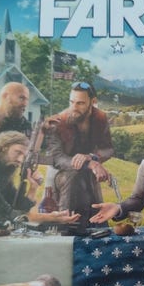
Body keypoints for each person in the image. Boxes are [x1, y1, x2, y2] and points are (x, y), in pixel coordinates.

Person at [46, 82, 114, 224]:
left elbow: (108, 148)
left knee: (97, 222)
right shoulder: (58, 122)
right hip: (60, 174)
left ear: (93, 102)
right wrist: (89, 164)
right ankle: (66, 227)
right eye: (71, 102)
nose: (74, 108)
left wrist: (91, 157)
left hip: (88, 175)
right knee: (73, 178)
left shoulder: (100, 117)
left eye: (80, 103)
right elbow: (57, 157)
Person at [0, 131, 80, 224]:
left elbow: (19, 209)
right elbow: (7, 215)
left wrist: (33, 188)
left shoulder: (2, 177)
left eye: (24, 156)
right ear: (4, 147)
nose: (21, 160)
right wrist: (50, 218)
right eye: (18, 152)